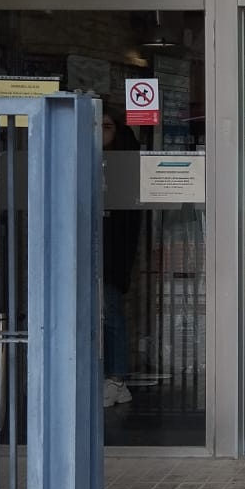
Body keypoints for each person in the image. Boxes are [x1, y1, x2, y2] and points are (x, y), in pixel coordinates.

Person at [101, 107, 144, 407]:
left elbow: (126, 223)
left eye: (106, 126)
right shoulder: (85, 160)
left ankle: (117, 378)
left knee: (111, 314)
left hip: (111, 255)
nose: (99, 132)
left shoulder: (124, 169)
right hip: (82, 253)